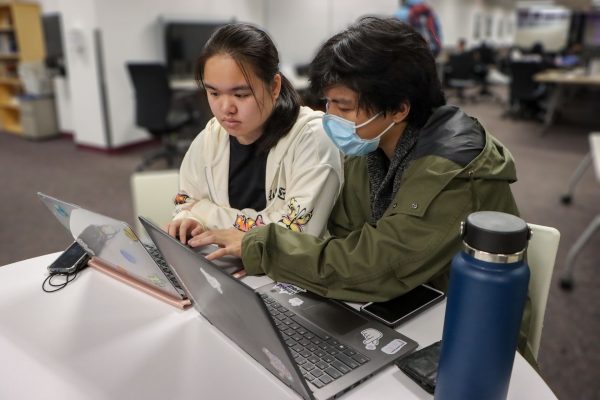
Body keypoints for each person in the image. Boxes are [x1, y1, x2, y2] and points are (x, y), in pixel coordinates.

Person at [166, 23, 343, 242]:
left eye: (240, 95)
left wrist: (205, 213)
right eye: (214, 93)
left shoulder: (312, 138)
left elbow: (295, 234)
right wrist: (187, 219)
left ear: (274, 87)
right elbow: (185, 202)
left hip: (286, 272)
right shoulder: (210, 138)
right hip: (219, 263)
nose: (225, 109)